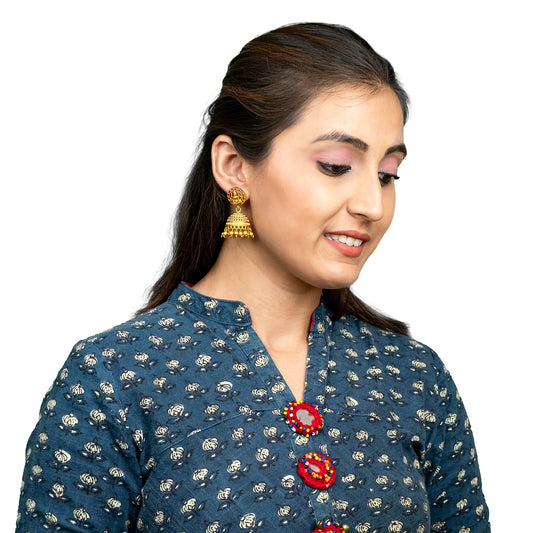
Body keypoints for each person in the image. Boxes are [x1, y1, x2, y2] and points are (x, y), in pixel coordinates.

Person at [15, 22, 490, 533]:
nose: (373, 205)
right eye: (335, 166)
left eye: (387, 174)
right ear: (234, 166)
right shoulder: (113, 379)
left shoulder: (413, 377)